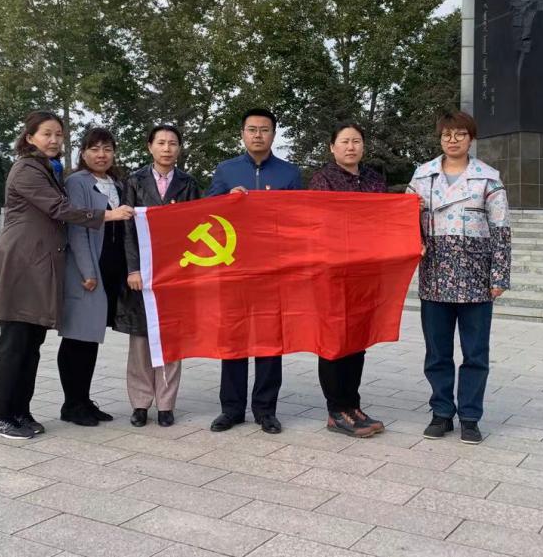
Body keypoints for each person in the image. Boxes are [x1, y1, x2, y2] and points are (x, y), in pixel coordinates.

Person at [0, 111, 132, 440]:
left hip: (39, 265)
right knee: (15, 343)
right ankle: (0, 417)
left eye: (58, 134)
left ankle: (20, 411)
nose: (54, 140)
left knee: (31, 343)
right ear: (29, 137)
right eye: (46, 134)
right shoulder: (26, 169)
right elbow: (59, 209)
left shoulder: (47, 168)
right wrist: (109, 215)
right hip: (22, 263)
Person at [407, 110, 510, 445]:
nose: (452, 140)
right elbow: (404, 221)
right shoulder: (423, 176)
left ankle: (470, 417)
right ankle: (441, 412)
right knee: (437, 352)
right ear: (440, 139)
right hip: (435, 276)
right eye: (446, 135)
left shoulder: (488, 178)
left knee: (475, 353)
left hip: (476, 279)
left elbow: (501, 229)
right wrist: (413, 234)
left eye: (460, 134)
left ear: (471, 138)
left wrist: (499, 275)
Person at [207, 108, 302, 435]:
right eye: (252, 129)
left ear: (273, 134)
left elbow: (298, 220)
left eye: (264, 129)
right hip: (234, 267)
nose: (258, 135)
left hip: (273, 269)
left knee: (269, 340)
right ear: (242, 134)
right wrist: (227, 200)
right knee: (233, 338)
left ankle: (265, 410)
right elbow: (206, 215)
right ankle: (231, 409)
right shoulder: (226, 170)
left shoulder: (289, 173)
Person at [307, 122, 387, 438]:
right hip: (333, 271)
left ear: (363, 146)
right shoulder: (322, 180)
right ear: (332, 147)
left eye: (356, 141)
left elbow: (383, 220)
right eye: (344, 141)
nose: (351, 147)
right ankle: (336, 409)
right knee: (333, 339)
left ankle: (353, 405)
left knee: (357, 340)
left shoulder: (375, 179)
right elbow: (320, 223)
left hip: (365, 271)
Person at [121, 124, 202, 427]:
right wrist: (133, 268)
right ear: (150, 147)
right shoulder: (134, 181)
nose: (167, 149)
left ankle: (166, 404)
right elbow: (128, 229)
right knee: (141, 338)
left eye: (173, 143)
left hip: (174, 271)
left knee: (170, 336)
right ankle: (140, 403)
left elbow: (197, 226)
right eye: (161, 143)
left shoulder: (188, 183)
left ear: (179, 148)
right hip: (143, 271)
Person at [58, 128, 128, 427]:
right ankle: (72, 404)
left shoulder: (117, 184)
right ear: (83, 153)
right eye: (95, 149)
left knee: (91, 338)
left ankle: (84, 400)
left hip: (110, 269)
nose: (101, 155)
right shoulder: (77, 182)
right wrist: (87, 271)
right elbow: (77, 228)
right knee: (77, 337)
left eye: (107, 149)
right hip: (87, 272)